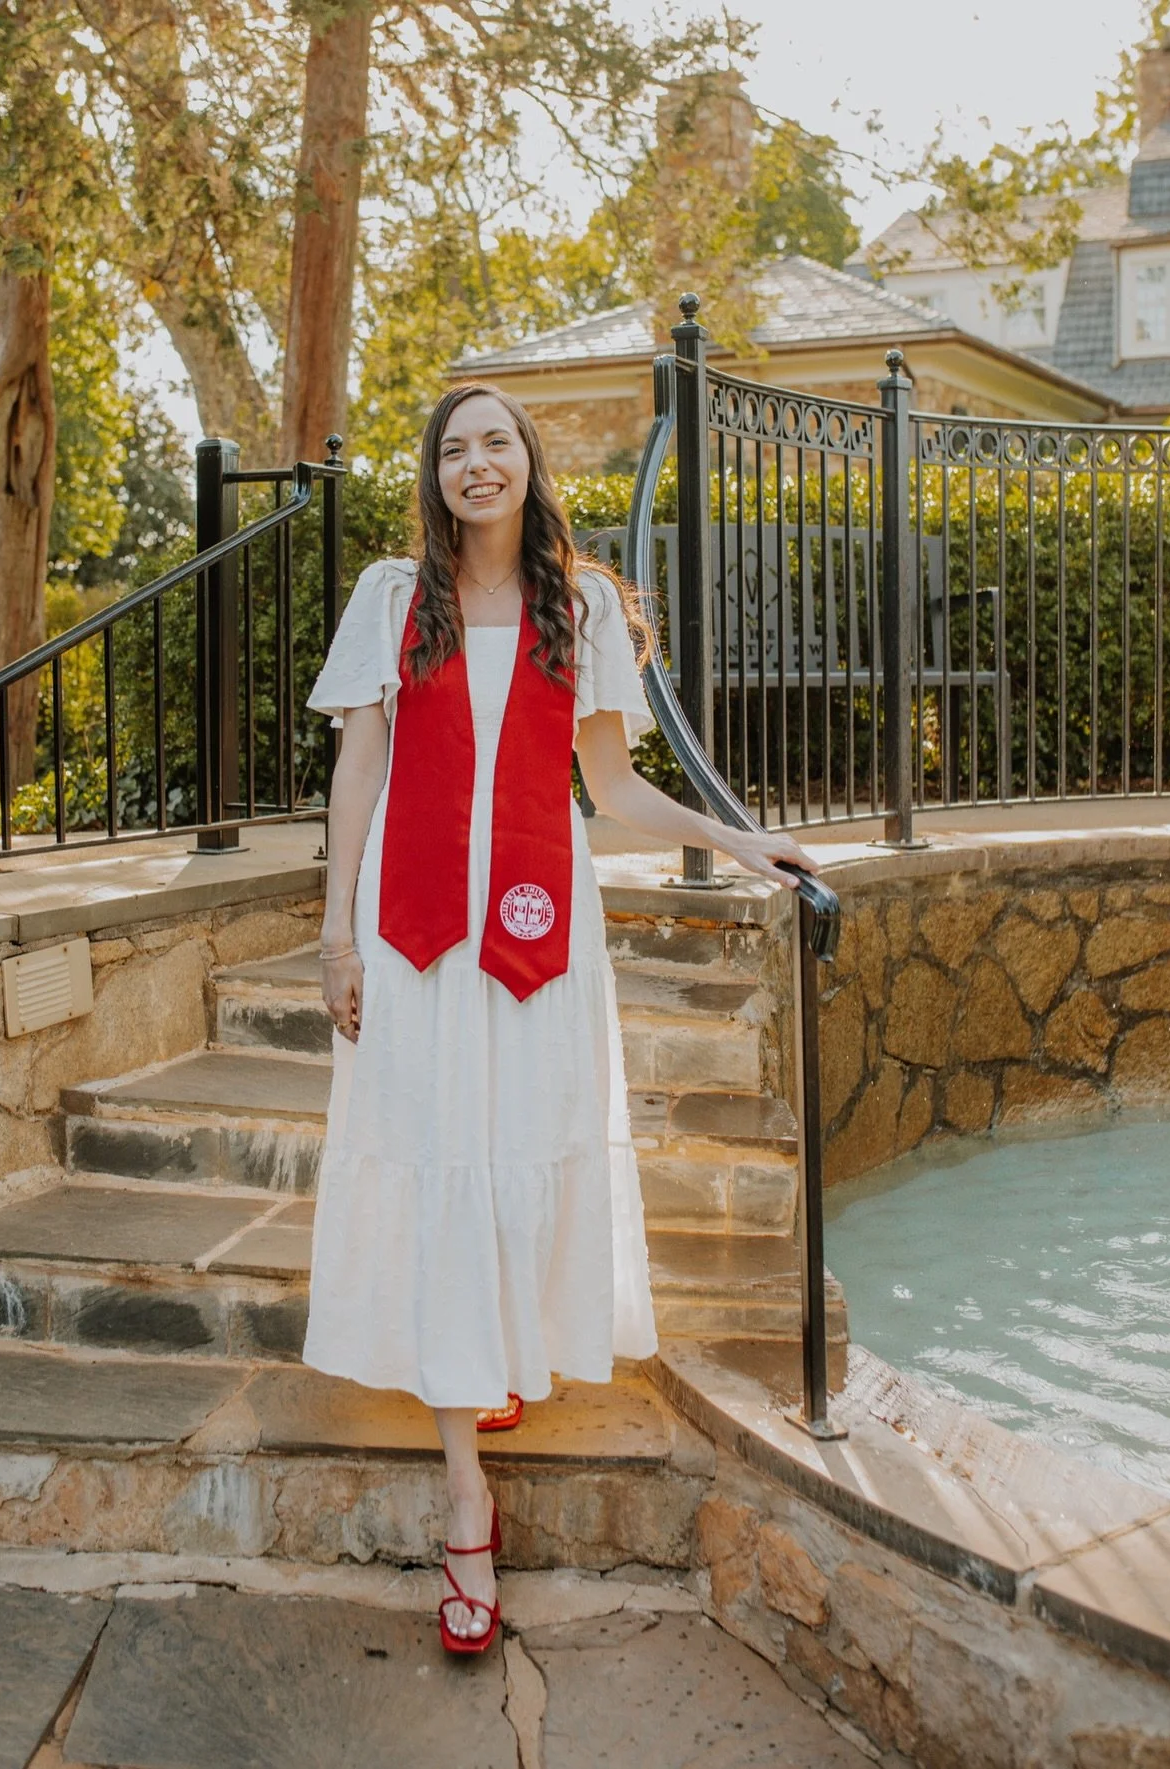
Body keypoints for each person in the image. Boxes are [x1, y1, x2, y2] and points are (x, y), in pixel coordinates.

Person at [303, 383, 815, 1655]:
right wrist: (335, 930)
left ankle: (486, 1360)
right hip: (414, 931)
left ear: (531, 463)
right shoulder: (390, 597)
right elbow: (357, 765)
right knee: (434, 1150)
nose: (479, 464)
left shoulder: (577, 607)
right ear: (433, 473)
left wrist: (739, 840)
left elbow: (611, 786)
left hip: (536, 931)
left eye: (500, 443)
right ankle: (465, 1496)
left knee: (514, 1139)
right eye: (455, 447)